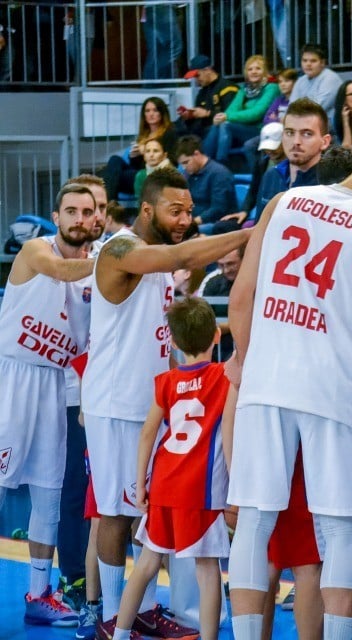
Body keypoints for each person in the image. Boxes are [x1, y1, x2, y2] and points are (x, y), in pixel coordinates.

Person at [226, 122, 352, 640]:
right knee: (338, 527)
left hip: (267, 381)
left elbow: (241, 298)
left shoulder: (286, 201)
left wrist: (249, 362)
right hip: (334, 390)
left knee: (254, 520)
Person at [82, 167, 249, 634]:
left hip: (149, 403)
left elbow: (183, 264)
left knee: (146, 512)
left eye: (191, 211)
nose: (185, 218)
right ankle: (115, 615)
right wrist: (250, 232)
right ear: (148, 208)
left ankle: (141, 611)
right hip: (116, 403)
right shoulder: (121, 250)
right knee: (116, 512)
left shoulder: (154, 260)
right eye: (176, 210)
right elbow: (182, 253)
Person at [0, 183, 98, 626]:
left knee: (49, 492)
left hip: (54, 385)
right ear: (56, 216)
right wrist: (122, 265)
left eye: (88, 211)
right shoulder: (37, 249)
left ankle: (39, 593)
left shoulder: (97, 277)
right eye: (71, 210)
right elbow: (59, 271)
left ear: (98, 218)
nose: (79, 218)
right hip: (11, 377)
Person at [104, 297, 230, 640]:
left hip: (163, 482)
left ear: (172, 342)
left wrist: (140, 484)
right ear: (217, 335)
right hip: (199, 490)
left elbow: (147, 434)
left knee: (146, 565)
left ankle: (119, 633)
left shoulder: (165, 381)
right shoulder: (224, 376)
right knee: (207, 571)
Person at [203, 55, 280, 171]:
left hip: (260, 130)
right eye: (250, 69)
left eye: (258, 68)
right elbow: (230, 110)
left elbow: (256, 113)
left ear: (264, 71)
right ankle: (207, 163)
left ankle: (218, 164)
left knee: (226, 125)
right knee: (218, 124)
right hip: (242, 129)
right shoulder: (244, 89)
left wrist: (227, 117)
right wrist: (222, 117)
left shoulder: (271, 88)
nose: (254, 72)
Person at [255, 98, 332, 214]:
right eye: (290, 133)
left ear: (325, 142)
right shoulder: (272, 175)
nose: (296, 141)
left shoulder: (331, 185)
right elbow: (259, 228)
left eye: (307, 134)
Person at [102, 97, 178, 201]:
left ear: (162, 113)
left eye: (155, 110)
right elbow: (136, 165)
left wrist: (145, 151)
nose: (151, 114)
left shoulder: (170, 132)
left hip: (153, 174)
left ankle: (109, 204)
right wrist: (134, 156)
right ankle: (110, 203)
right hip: (138, 172)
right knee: (114, 160)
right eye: (147, 111)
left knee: (110, 176)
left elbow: (173, 161)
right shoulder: (144, 134)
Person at [175, 135, 238, 234]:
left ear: (197, 154)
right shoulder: (188, 174)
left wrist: (192, 223)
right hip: (194, 220)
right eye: (182, 164)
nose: (184, 167)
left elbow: (218, 208)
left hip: (216, 223)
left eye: (186, 162)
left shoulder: (220, 173)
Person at [178, 56, 239, 140]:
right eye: (194, 77)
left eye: (198, 75)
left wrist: (207, 114)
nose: (196, 80)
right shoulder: (202, 92)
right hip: (203, 131)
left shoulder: (228, 88)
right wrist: (189, 116)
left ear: (208, 70)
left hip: (222, 131)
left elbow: (230, 115)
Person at [290, 44, 343, 129]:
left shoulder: (330, 78)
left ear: (322, 63)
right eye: (304, 60)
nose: (308, 64)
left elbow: (316, 108)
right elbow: (291, 107)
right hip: (304, 123)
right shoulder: (301, 81)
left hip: (327, 125)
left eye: (313, 61)